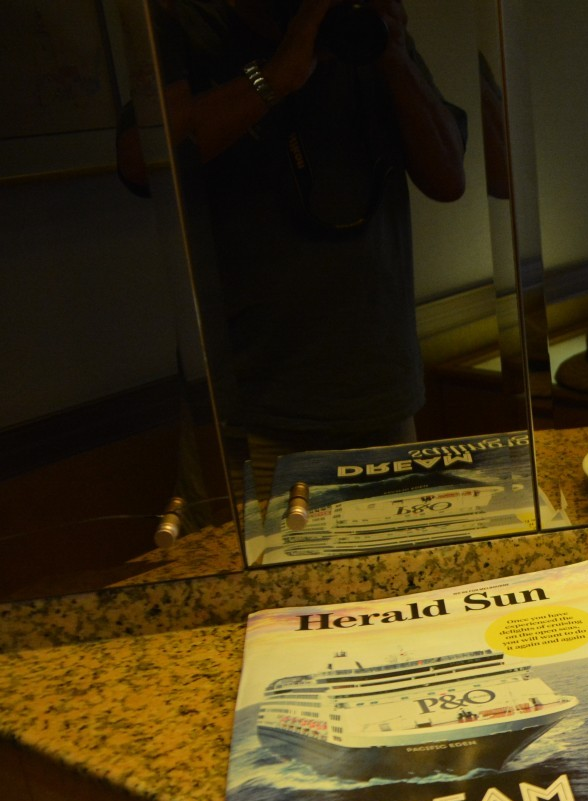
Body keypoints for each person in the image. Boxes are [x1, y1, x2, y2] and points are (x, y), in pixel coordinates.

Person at [153, 0, 467, 464]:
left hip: (382, 393)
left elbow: (448, 179)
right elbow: (144, 161)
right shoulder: (196, 24)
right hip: (260, 410)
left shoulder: (361, 31)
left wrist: (396, 57)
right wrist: (276, 78)